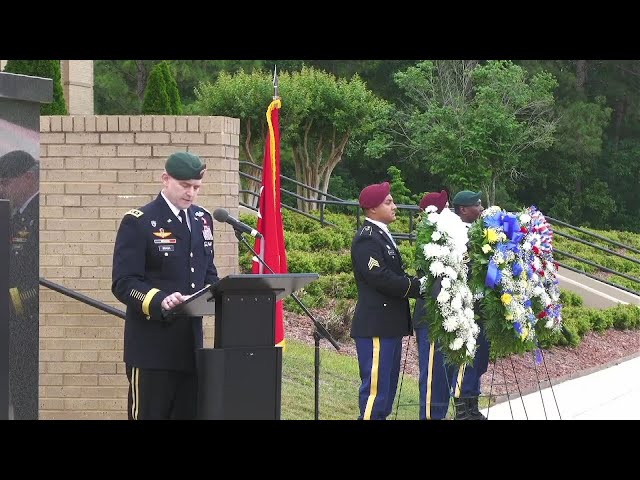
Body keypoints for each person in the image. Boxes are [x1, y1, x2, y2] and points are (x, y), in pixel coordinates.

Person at [112, 151, 219, 420]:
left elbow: (209, 275)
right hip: (151, 350)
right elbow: (123, 283)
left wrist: (221, 293)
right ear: (165, 179)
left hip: (190, 348)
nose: (191, 193)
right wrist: (159, 299)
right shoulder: (139, 221)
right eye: (185, 185)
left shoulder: (202, 220)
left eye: (196, 187)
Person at [350, 181, 422, 420]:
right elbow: (379, 277)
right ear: (372, 209)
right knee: (376, 392)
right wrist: (416, 287)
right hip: (376, 325)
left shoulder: (381, 235)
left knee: (387, 389)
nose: (394, 206)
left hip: (388, 324)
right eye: (388, 202)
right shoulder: (367, 239)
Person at [0, 150, 40, 420]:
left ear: (27, 178)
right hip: (15, 324)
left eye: (4, 181)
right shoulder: (17, 215)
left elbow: (37, 275)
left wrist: (12, 302)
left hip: (30, 321)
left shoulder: (40, 213)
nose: (2, 188)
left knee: (28, 399)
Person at [412, 190, 457, 420]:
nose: (450, 210)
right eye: (446, 206)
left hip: (449, 317)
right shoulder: (429, 238)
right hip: (432, 319)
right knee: (433, 378)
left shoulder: (449, 236)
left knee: (444, 379)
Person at [451, 189, 489, 420]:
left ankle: (472, 404)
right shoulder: (456, 235)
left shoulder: (480, 233)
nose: (481, 208)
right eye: (477, 204)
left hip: (482, 307)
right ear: (463, 210)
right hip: (466, 309)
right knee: (467, 360)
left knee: (480, 359)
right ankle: (462, 409)